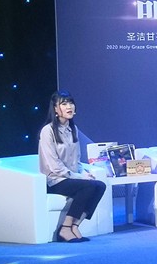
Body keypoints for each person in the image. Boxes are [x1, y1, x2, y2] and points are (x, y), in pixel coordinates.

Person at [38, 90, 107, 243]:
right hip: (55, 180)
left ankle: (75, 225)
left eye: (71, 103)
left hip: (71, 177)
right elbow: (54, 166)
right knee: (88, 187)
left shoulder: (73, 129)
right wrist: (79, 176)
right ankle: (64, 229)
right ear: (55, 109)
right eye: (64, 104)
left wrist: (84, 172)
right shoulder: (47, 131)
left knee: (100, 185)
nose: (69, 107)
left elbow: (76, 160)